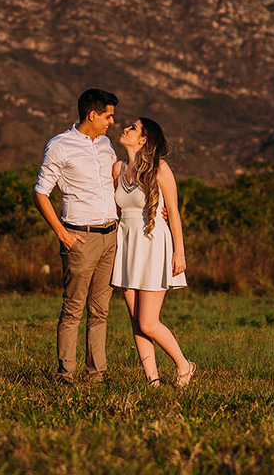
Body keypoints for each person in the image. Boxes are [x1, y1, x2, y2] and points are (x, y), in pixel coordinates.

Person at [34, 88, 121, 383]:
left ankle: (96, 373)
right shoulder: (60, 145)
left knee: (101, 310)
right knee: (73, 309)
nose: (112, 121)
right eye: (108, 116)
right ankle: (65, 375)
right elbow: (41, 193)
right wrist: (62, 234)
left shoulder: (107, 144)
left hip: (111, 236)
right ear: (92, 114)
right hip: (80, 238)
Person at [111, 117, 196, 388]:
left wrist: (179, 253)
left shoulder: (160, 168)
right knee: (136, 321)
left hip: (153, 243)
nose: (125, 128)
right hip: (126, 244)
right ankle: (152, 381)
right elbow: (115, 210)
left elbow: (173, 211)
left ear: (144, 139)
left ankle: (184, 364)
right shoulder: (117, 168)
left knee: (148, 322)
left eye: (133, 128)